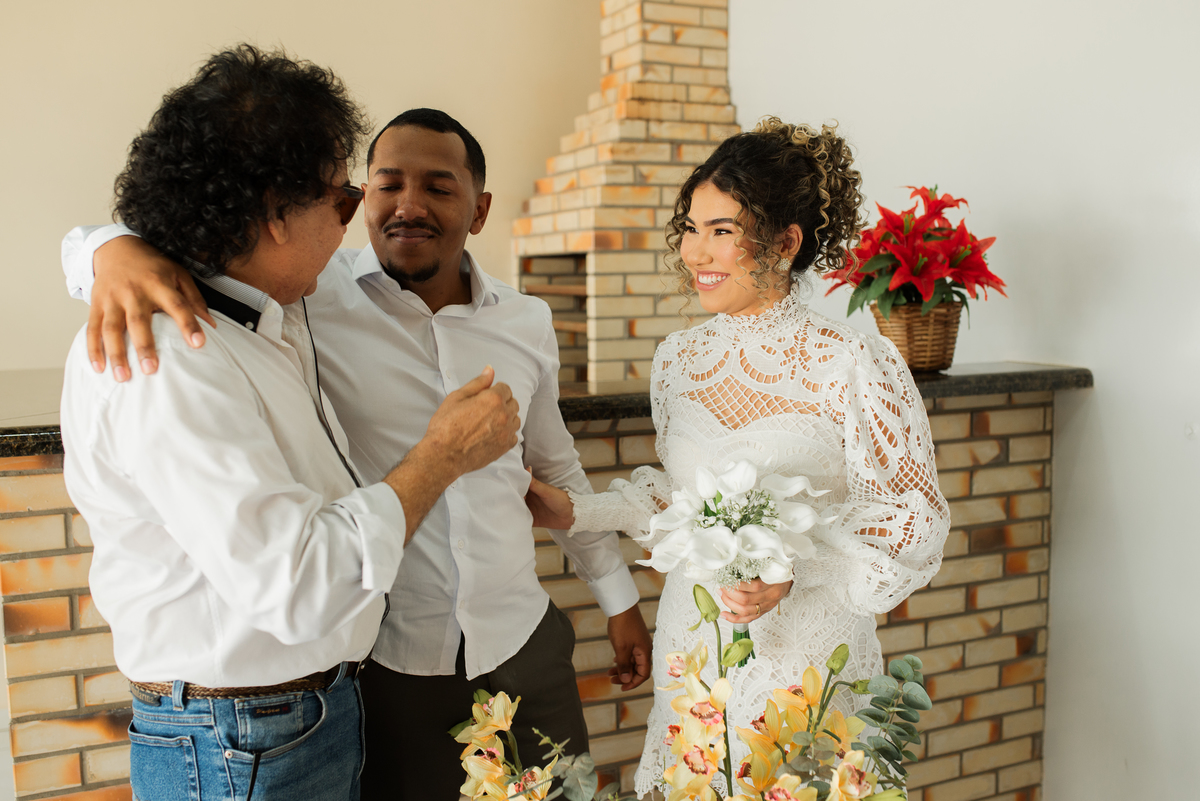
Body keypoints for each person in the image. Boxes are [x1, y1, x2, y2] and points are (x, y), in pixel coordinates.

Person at [62, 107, 653, 798]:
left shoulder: (526, 320)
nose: (408, 204)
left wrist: (616, 597)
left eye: (438, 186)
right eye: (381, 185)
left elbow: (555, 466)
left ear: (480, 208)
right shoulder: (306, 299)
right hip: (389, 667)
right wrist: (108, 249)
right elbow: (197, 236)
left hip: (521, 640)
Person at [525, 117, 952, 796]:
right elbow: (677, 497)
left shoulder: (851, 359)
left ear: (785, 242)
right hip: (693, 653)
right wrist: (575, 508)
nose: (697, 252)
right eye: (691, 227)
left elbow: (911, 517)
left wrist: (791, 570)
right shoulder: (678, 361)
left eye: (722, 230)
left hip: (808, 660)